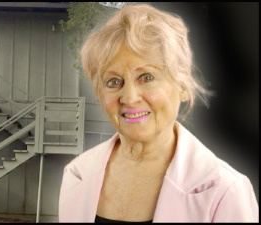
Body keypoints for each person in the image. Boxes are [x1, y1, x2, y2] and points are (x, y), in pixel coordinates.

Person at [58, 4, 259, 223]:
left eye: (146, 77)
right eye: (113, 81)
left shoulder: (226, 191)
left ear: (182, 86)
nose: (129, 97)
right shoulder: (76, 175)